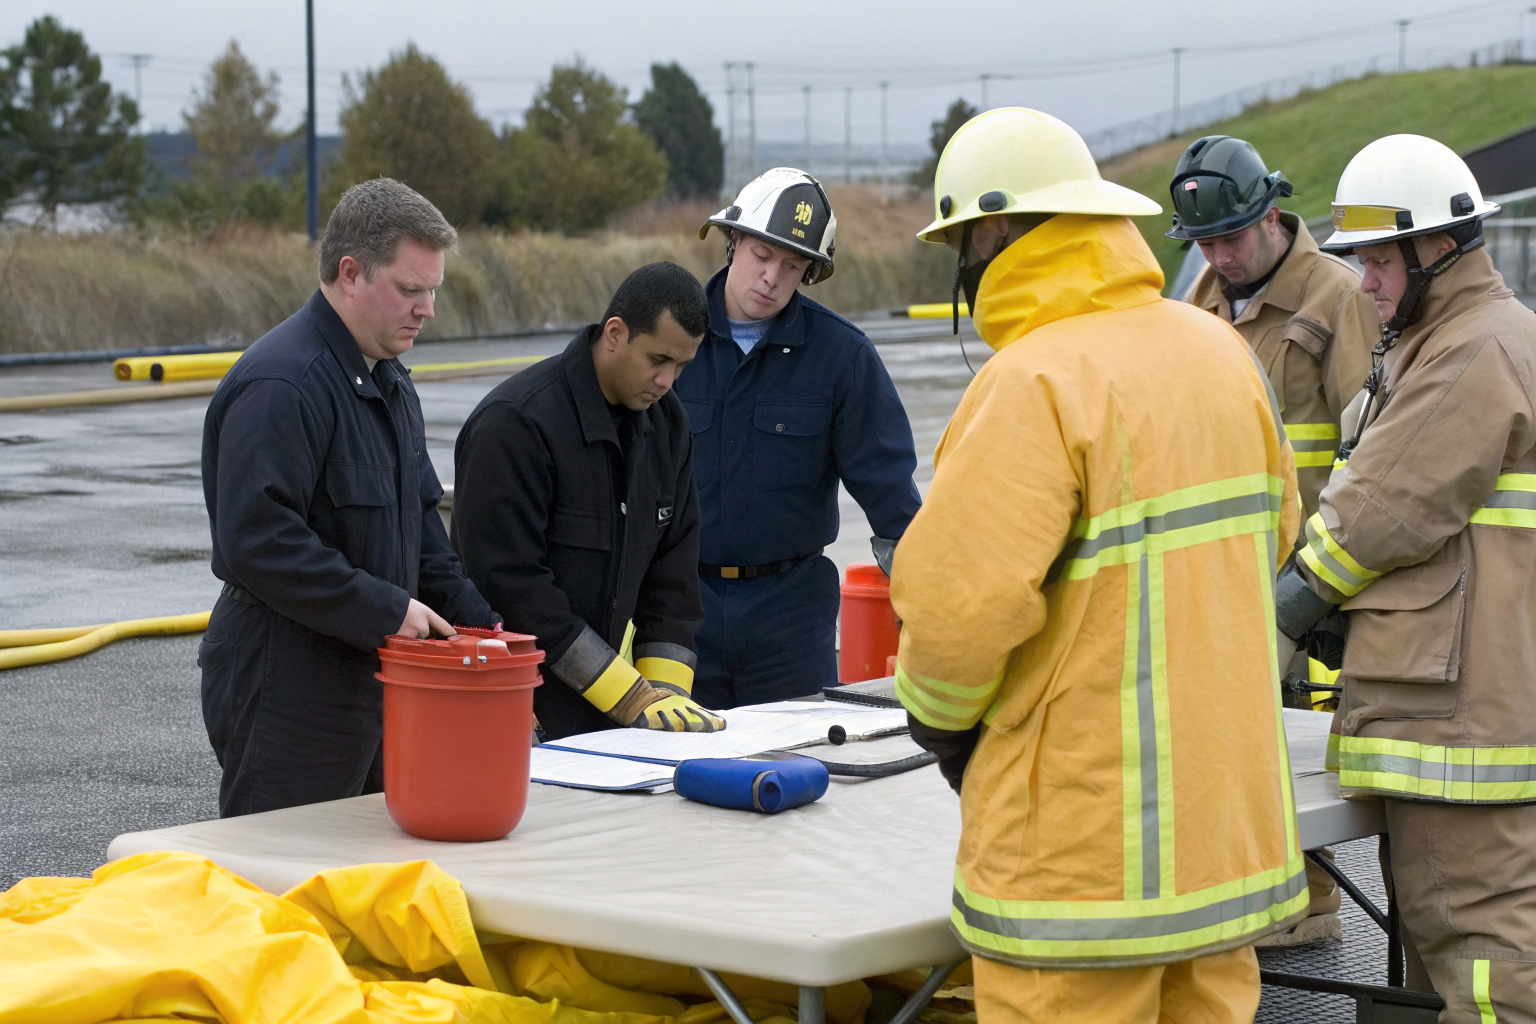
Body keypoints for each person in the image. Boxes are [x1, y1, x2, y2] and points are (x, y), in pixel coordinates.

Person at [891, 107, 1305, 1023]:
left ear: (995, 230)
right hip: (1221, 840)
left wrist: (941, 726)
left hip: (1078, 861)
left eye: (965, 241)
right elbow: (1278, 540)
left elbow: (957, 615)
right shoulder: (1221, 352)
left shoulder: (1034, 381)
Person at [1275, 134, 1536, 1020]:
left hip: (1464, 726)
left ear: (1440, 249)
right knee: (1432, 961)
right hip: (1447, 713)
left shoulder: (1476, 349)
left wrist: (1280, 616)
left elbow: (1379, 509)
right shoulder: (1443, 339)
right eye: (1357, 260)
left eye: (1381, 258)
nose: (1365, 281)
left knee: (1481, 959)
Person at [199, 178, 497, 818]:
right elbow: (257, 541)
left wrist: (482, 625)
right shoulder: (284, 384)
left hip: (374, 681)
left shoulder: (388, 379)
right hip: (287, 684)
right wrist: (387, 609)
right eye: (411, 290)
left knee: (369, 877)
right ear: (350, 273)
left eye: (434, 290)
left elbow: (418, 524)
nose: (428, 309)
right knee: (286, 878)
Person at [1170, 135, 1381, 945]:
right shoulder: (1203, 302)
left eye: (1231, 238)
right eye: (1205, 243)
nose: (1220, 256)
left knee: (1287, 735)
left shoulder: (1337, 298)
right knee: (1220, 734)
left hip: (1306, 567)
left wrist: (1320, 578)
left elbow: (1369, 440)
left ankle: (1311, 902)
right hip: (1219, 563)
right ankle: (1241, 886)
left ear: (1273, 214)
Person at [677, 168, 921, 708]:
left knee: (798, 772)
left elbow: (891, 495)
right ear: (732, 240)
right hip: (679, 612)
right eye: (762, 256)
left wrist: (924, 605)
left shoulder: (842, 357)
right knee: (676, 774)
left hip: (790, 619)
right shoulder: (672, 338)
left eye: (792, 266)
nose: (772, 278)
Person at [453, 263, 721, 741]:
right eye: (658, 359)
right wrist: (629, 694)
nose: (667, 381)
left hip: (607, 710)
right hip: (514, 703)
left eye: (681, 366)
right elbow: (512, 589)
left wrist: (665, 694)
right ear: (615, 333)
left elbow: (673, 573)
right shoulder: (515, 426)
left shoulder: (668, 425)